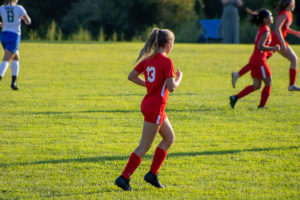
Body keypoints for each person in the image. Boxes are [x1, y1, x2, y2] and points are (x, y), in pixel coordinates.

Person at [115, 28, 183, 191]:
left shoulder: (148, 59)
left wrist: (148, 84)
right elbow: (171, 87)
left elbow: (132, 76)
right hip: (155, 108)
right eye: (172, 43)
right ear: (167, 44)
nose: (172, 46)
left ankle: (152, 174)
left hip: (151, 105)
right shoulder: (167, 62)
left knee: (169, 138)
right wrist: (179, 77)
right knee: (144, 146)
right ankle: (124, 178)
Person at [232, 0, 300, 91]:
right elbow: (278, 29)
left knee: (258, 61)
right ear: (290, 4)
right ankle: (291, 85)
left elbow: (285, 28)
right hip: (278, 42)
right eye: (293, 3)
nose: (294, 5)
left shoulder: (289, 14)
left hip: (278, 41)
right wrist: (282, 43)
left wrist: (295, 33)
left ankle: (239, 75)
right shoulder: (284, 14)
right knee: (293, 59)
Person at [230, 9, 280, 109]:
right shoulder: (265, 30)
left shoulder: (263, 28)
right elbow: (260, 46)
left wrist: (270, 52)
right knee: (268, 83)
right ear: (265, 19)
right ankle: (262, 106)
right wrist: (273, 48)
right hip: (260, 61)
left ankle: (235, 97)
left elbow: (260, 48)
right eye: (270, 16)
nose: (272, 17)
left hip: (257, 59)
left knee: (256, 85)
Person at [0, 0, 31, 90]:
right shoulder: (19, 8)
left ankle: (14, 82)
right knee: (6, 60)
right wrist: (21, 17)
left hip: (4, 35)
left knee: (16, 56)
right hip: (14, 36)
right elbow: (28, 21)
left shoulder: (2, 8)